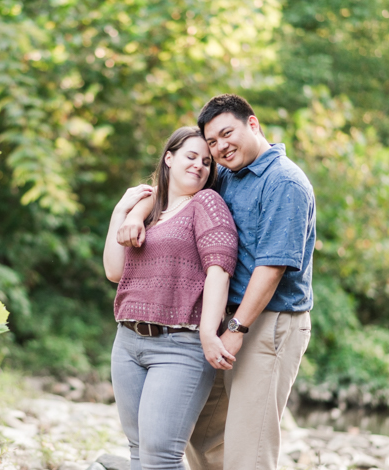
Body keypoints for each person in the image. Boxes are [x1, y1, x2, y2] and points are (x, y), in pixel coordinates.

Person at [117, 95, 316, 470]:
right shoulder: (227, 172)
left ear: (253, 124)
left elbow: (270, 269)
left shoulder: (284, 182)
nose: (220, 147)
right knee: (202, 435)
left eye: (228, 134)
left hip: (267, 323)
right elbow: (174, 190)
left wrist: (237, 328)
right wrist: (137, 213)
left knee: (248, 448)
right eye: (212, 142)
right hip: (224, 321)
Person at [103, 126, 239, 470]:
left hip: (179, 347)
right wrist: (122, 212)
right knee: (139, 453)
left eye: (207, 162)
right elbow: (114, 271)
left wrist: (210, 332)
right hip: (128, 342)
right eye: (191, 156)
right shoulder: (148, 210)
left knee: (161, 456)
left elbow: (219, 270)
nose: (199, 166)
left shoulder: (207, 203)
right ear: (169, 158)